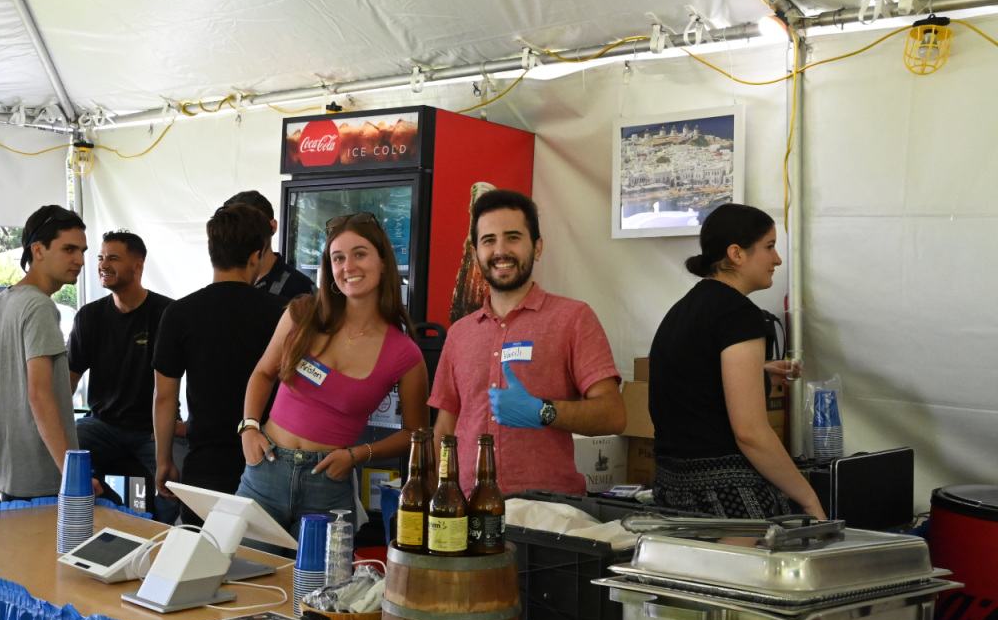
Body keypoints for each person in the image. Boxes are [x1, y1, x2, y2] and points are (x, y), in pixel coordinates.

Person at [237, 212, 429, 536]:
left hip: (328, 485)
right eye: (338, 258)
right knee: (240, 575)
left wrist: (357, 455)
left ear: (383, 263)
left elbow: (417, 434)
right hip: (265, 469)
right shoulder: (301, 314)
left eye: (359, 254)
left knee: (319, 587)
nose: (348, 266)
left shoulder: (405, 354)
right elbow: (262, 373)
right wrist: (249, 428)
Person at [431, 190, 625, 495]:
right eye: (488, 240)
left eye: (513, 237)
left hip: (547, 513)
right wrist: (437, 494)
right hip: (465, 510)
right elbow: (445, 428)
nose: (500, 250)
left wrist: (541, 411)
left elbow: (613, 415)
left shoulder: (573, 318)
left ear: (537, 248)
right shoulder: (459, 333)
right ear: (475, 253)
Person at [649, 203, 826, 519]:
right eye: (769, 247)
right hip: (727, 499)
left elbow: (694, 386)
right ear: (736, 253)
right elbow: (751, 432)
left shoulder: (681, 310)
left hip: (671, 495)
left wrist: (759, 375)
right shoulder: (739, 314)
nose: (777, 259)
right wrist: (809, 498)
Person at [153, 203, 286, 517]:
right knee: (268, 562)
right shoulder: (282, 314)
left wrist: (164, 461)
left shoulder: (179, 314)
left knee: (202, 559)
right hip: (269, 460)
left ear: (212, 251)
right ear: (256, 255)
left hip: (204, 464)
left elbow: (163, 397)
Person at [0, 205, 102, 501]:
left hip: (10, 469)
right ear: (38, 250)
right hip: (41, 478)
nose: (79, 260)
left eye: (83, 251)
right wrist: (73, 475)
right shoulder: (39, 306)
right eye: (69, 249)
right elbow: (39, 394)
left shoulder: (3, 300)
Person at [67, 230, 178, 522]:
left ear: (138, 266)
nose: (103, 264)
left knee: (174, 486)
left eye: (113, 258)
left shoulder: (168, 313)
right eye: (101, 257)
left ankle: (161, 539)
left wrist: (177, 428)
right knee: (62, 451)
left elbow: (183, 382)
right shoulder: (89, 316)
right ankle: (98, 521)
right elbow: (68, 380)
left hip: (151, 430)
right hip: (101, 425)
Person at [224, 190, 316, 302]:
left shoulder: (302, 290)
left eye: (252, 227)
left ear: (272, 226)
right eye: (234, 230)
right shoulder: (226, 285)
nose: (243, 237)